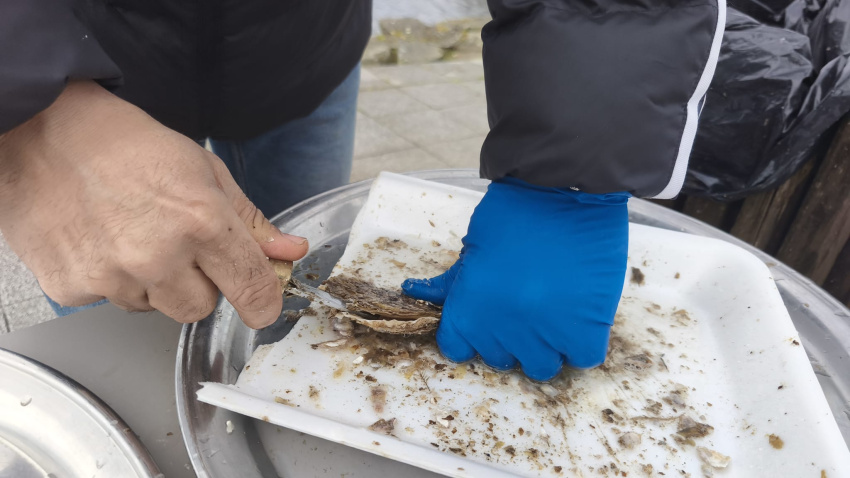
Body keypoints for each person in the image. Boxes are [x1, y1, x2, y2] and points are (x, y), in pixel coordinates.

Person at [0, 0, 724, 381]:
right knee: (118, 341)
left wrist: (573, 164)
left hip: (303, 50)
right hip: (82, 69)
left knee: (301, 273)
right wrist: (26, 120)